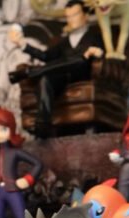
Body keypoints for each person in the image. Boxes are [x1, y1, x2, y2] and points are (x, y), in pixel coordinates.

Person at [8, 0, 104, 137]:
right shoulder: (63, 42)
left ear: (85, 15)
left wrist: (97, 52)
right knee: (45, 78)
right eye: (68, 16)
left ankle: (31, 72)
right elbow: (46, 56)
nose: (71, 19)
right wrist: (23, 44)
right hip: (63, 77)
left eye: (75, 14)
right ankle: (43, 124)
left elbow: (101, 53)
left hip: (81, 74)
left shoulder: (94, 36)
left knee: (80, 60)